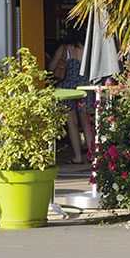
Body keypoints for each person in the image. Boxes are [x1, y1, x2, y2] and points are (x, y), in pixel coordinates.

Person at [48, 26, 93, 164]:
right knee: (86, 123)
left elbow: (51, 68)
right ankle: (94, 156)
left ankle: (78, 157)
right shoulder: (89, 49)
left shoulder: (64, 49)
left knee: (72, 123)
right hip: (85, 88)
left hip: (67, 89)